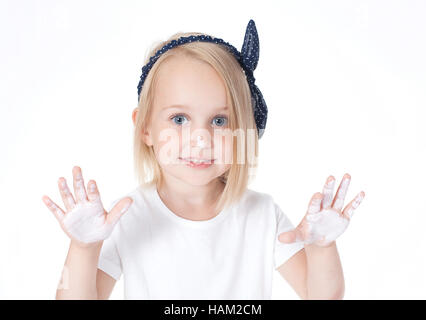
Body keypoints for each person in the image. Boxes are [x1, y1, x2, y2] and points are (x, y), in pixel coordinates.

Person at [41, 19, 365, 300]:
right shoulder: (130, 217)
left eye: (220, 121)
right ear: (145, 128)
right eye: (179, 119)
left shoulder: (261, 215)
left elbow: (323, 293)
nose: (201, 140)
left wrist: (322, 247)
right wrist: (83, 249)